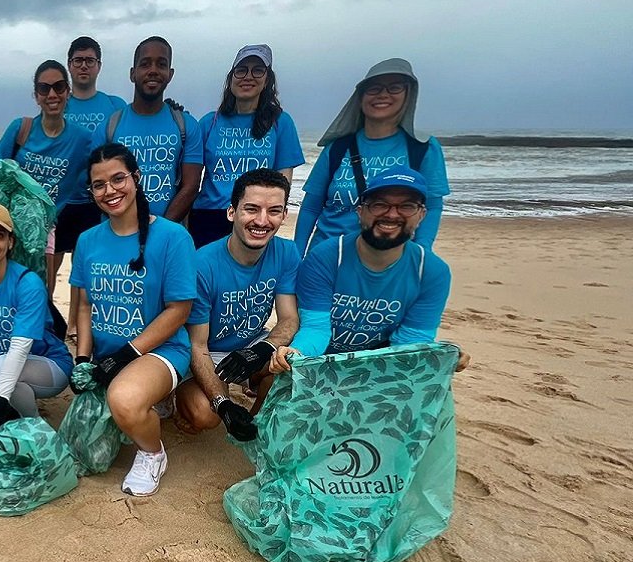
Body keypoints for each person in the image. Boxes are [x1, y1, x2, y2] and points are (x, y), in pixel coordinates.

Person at [70, 143, 197, 496]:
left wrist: (127, 355)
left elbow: (179, 310)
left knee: (123, 401)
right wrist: (82, 359)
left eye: (118, 179)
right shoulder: (87, 240)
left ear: (136, 178)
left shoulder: (173, 237)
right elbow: (83, 306)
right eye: (99, 184)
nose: (110, 191)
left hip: (161, 351)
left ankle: (152, 453)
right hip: (107, 354)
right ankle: (151, 399)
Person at [273, 168, 452, 373]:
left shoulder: (431, 272)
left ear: (421, 215)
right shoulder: (326, 257)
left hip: (377, 361)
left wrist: (440, 357)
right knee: (273, 377)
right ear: (361, 211)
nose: (392, 214)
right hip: (319, 359)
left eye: (407, 206)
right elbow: (316, 328)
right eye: (379, 204)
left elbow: (410, 343)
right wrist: (298, 353)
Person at [174, 169, 300, 441]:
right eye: (251, 209)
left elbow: (289, 319)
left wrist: (262, 350)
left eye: (274, 211)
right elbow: (197, 345)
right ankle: (182, 399)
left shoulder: (287, 253)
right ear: (232, 212)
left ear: (284, 216)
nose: (262, 221)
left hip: (253, 343)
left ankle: (257, 418)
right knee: (205, 415)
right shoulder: (202, 265)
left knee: (294, 365)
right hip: (209, 350)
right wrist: (225, 404)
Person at [294, 58, 450, 257]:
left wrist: (422, 251)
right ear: (360, 97)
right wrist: (297, 255)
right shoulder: (338, 147)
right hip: (326, 258)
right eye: (374, 88)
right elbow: (311, 206)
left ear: (408, 94)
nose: (383, 94)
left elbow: (432, 206)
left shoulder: (422, 148)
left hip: (390, 261)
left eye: (394, 88)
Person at [0, 202, 72, 445]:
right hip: (7, 368)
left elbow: (19, 350)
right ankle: (13, 412)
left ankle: (34, 426)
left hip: (51, 368)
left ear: (10, 242)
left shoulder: (27, 283)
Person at [190, 45, 305, 247]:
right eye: (241, 70)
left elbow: (282, 183)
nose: (248, 77)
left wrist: (272, 217)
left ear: (267, 79)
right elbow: (189, 175)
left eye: (257, 70)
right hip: (208, 216)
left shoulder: (280, 122)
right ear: (231, 77)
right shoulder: (210, 122)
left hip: (255, 216)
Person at [0, 59, 92, 293]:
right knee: (6, 294)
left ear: (68, 91)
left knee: (41, 298)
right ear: (36, 95)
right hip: (10, 232)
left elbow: (106, 169)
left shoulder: (82, 139)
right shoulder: (20, 129)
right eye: (44, 88)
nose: (52, 94)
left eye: (59, 87)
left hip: (45, 235)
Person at [94, 36, 203, 222]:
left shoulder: (186, 125)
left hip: (168, 236)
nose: (153, 70)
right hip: (116, 234)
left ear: (170, 73)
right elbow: (98, 185)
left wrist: (161, 231)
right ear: (132, 73)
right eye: (145, 64)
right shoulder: (108, 128)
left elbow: (190, 186)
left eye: (161, 64)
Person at [59, 36, 125, 340]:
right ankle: (50, 324)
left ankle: (75, 325)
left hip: (99, 200)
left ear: (99, 66)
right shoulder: (59, 100)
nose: (84, 65)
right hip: (60, 200)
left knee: (85, 267)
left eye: (90, 60)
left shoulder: (114, 106)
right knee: (50, 267)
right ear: (70, 65)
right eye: (78, 60)